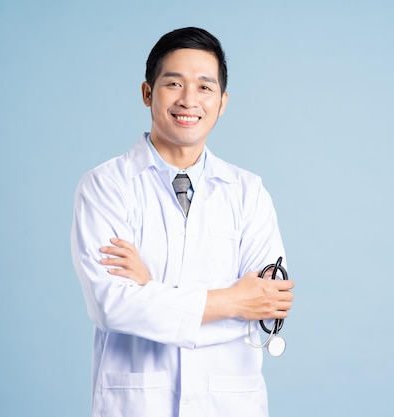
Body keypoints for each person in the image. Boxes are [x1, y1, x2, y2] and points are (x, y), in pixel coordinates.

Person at [70, 26, 294, 417]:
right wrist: (232, 302)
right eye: (174, 83)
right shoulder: (105, 186)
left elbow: (265, 306)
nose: (189, 100)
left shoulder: (248, 192)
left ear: (222, 102)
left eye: (205, 87)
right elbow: (112, 307)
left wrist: (150, 290)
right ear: (147, 93)